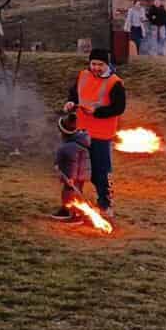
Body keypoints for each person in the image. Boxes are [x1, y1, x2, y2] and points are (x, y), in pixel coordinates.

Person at [63, 45, 127, 218]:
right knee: (75, 171)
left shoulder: (115, 83)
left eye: (100, 64)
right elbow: (74, 94)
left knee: (101, 173)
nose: (96, 68)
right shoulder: (83, 75)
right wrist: (70, 102)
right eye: (93, 64)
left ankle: (105, 206)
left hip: (101, 136)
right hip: (80, 133)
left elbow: (119, 108)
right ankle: (72, 206)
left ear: (107, 65)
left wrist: (97, 112)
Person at [49, 112, 92, 221]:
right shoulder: (82, 140)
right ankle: (74, 212)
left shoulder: (68, 147)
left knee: (68, 194)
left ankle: (69, 213)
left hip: (72, 176)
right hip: (81, 174)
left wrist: (70, 178)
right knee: (77, 193)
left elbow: (72, 163)